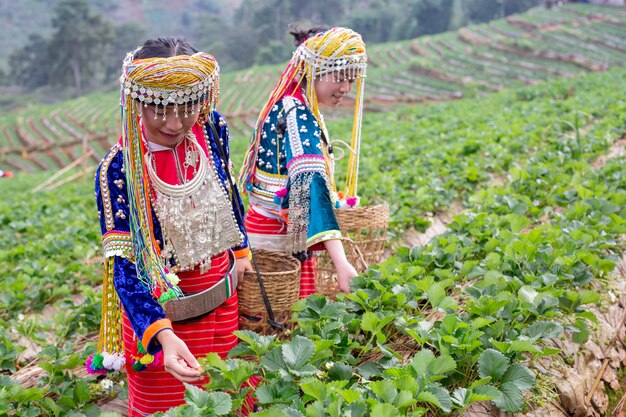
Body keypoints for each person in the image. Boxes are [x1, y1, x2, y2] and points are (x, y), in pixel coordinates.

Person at [87, 37, 254, 416]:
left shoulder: (212, 129)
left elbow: (228, 191)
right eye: (160, 108)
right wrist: (163, 336)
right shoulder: (118, 169)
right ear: (136, 101)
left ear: (203, 99)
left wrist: (241, 252)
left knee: (229, 399)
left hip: (221, 298)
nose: (176, 123)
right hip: (163, 320)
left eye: (188, 106)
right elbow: (125, 270)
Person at [238, 27, 368, 296]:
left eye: (351, 79)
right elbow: (310, 187)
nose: (345, 87)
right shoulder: (296, 114)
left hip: (281, 235)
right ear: (313, 70)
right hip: (276, 244)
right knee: (282, 325)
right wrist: (341, 262)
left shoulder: (293, 105)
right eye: (339, 77)